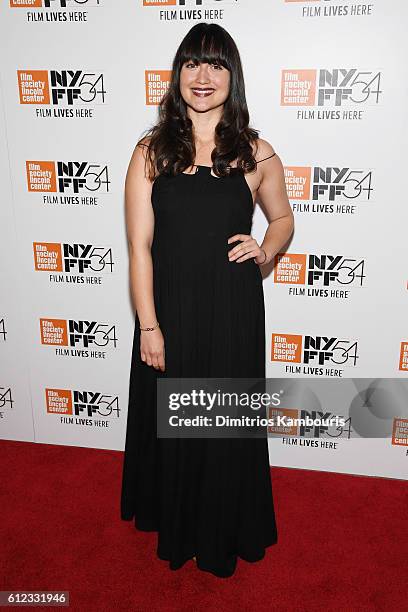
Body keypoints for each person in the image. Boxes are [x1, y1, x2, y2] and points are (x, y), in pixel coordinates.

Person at [120, 22, 294, 578]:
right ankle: (179, 522)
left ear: (232, 77)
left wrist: (265, 250)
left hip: (232, 310)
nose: (203, 77)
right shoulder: (150, 151)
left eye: (216, 65)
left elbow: (284, 218)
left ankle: (223, 527)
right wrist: (149, 325)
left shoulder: (255, 152)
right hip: (171, 311)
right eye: (193, 63)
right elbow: (139, 248)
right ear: (177, 75)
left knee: (221, 424)